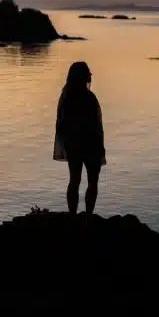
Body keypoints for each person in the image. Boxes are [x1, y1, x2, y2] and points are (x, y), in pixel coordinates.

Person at [53, 61, 105, 215]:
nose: (90, 75)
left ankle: (73, 215)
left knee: (75, 180)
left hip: (75, 145)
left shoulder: (67, 97)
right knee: (91, 181)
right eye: (87, 73)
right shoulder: (87, 98)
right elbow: (95, 125)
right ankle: (87, 215)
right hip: (88, 145)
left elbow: (61, 126)